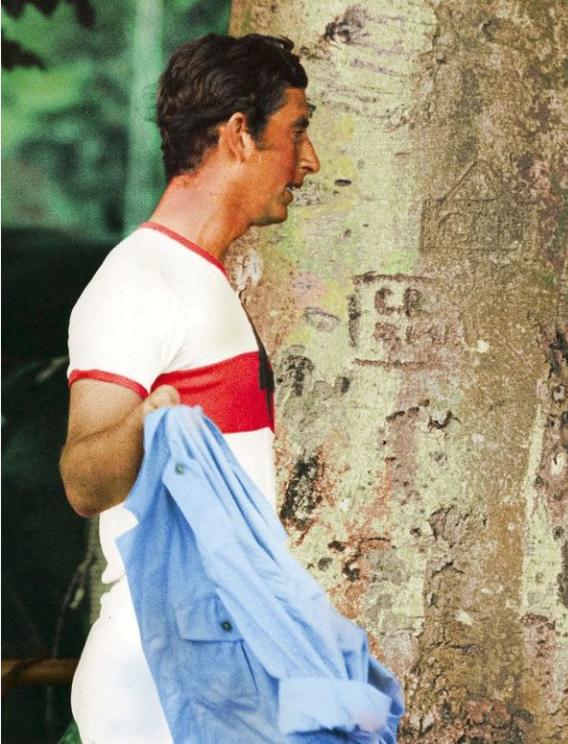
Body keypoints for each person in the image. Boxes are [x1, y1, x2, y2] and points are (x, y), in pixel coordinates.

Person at [60, 33, 319, 741]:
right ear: (240, 133)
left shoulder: (200, 278)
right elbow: (84, 479)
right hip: (158, 681)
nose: (310, 162)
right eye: (296, 132)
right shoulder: (139, 281)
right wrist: (147, 421)